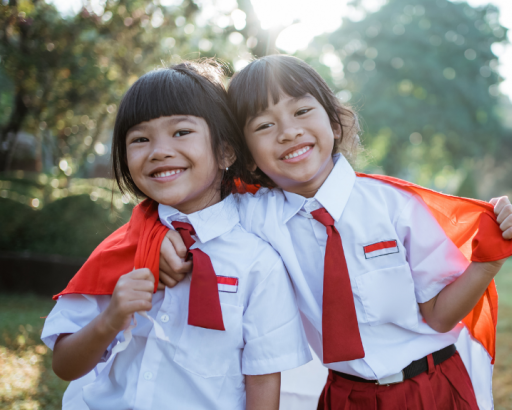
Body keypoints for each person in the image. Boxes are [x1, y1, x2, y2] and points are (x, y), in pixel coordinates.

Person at [160, 55, 512, 409]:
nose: (289, 132)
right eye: (264, 125)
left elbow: (438, 316)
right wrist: (158, 237)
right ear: (248, 154)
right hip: (345, 397)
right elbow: (183, 207)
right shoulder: (253, 215)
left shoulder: (394, 206)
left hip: (430, 388)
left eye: (302, 111)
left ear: (335, 124)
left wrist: (487, 265)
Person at [40, 61, 311, 410]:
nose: (159, 151)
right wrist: (111, 319)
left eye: (181, 132)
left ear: (226, 150)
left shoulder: (259, 262)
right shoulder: (121, 249)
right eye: (140, 139)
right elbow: (64, 366)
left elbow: (262, 380)